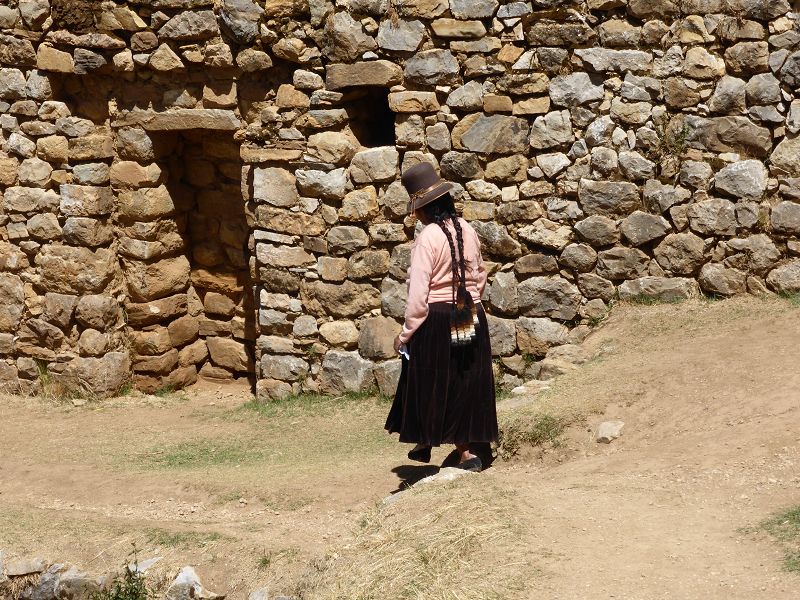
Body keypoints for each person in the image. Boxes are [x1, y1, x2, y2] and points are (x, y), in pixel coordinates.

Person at [384, 162, 498, 472]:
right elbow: (480, 276)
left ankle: (450, 448)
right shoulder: (468, 229)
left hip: (436, 319)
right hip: (470, 313)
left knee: (429, 377)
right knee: (465, 379)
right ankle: (456, 446)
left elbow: (418, 297)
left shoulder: (428, 238)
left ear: (422, 210)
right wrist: (469, 302)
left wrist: (405, 335)